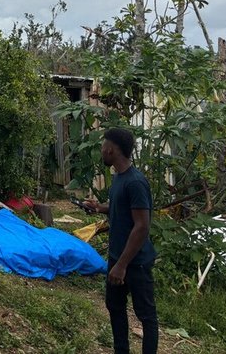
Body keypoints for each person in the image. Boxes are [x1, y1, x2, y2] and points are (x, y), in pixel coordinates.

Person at [84, 127, 158, 354]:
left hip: (135, 263)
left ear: (111, 149)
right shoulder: (119, 178)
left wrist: (122, 265)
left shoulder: (135, 182)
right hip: (117, 257)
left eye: (103, 146)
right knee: (115, 308)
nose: (101, 150)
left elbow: (142, 226)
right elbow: (121, 209)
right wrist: (99, 208)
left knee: (146, 316)